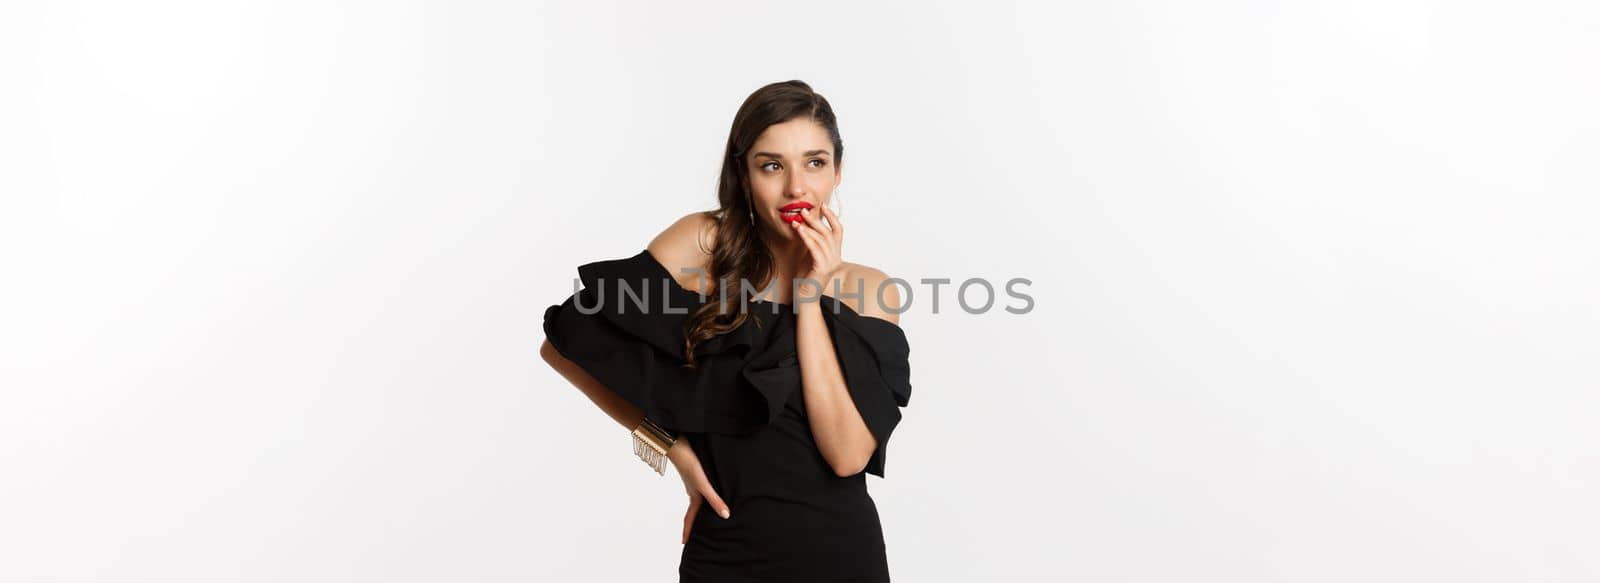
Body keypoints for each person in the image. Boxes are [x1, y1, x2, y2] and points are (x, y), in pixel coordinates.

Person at [540, 80, 913, 582]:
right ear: (744, 173)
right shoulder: (700, 245)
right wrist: (670, 447)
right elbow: (565, 343)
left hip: (839, 555)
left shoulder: (870, 289)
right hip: (723, 556)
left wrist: (810, 295)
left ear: (838, 172)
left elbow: (847, 456)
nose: (796, 188)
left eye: (815, 162)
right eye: (772, 165)